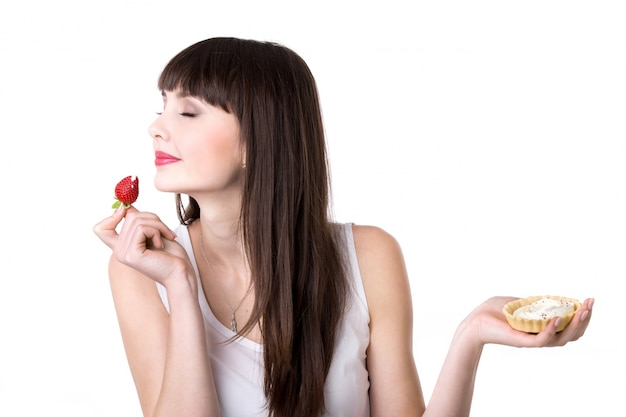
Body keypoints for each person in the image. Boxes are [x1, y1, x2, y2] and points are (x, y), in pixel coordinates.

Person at [93, 37, 594, 417]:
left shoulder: (370, 256)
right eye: (160, 108)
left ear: (256, 142)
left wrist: (470, 336)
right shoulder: (143, 269)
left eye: (186, 112)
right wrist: (181, 286)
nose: (156, 127)